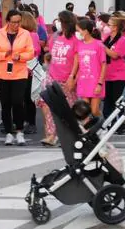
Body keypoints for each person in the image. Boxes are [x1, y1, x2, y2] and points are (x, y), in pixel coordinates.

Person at [0, 9, 35, 146]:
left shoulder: (25, 34)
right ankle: (9, 132)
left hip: (19, 72)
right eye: (13, 22)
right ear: (7, 21)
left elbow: (31, 53)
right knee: (5, 104)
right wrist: (4, 54)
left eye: (18, 22)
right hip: (2, 73)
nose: (16, 24)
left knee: (17, 102)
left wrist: (20, 56)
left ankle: (19, 131)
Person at [39, 10, 79, 146]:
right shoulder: (56, 37)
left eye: (60, 21)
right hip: (52, 76)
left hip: (67, 78)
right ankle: (51, 135)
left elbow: (77, 60)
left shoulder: (75, 40)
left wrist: (72, 77)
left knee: (69, 109)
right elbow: (49, 51)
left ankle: (70, 136)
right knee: (49, 106)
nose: (58, 24)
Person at [76, 18, 107, 117]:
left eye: (78, 30)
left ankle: (102, 125)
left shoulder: (98, 45)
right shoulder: (79, 45)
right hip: (83, 82)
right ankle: (91, 130)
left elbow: (104, 65)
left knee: (94, 110)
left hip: (95, 82)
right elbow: (77, 64)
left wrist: (100, 83)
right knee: (86, 111)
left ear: (85, 31)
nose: (77, 33)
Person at [20, 12, 41, 135]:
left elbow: (34, 52)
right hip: (21, 68)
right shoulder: (23, 34)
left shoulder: (31, 35)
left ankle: (31, 123)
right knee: (21, 98)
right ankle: (23, 121)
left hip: (28, 68)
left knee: (28, 97)